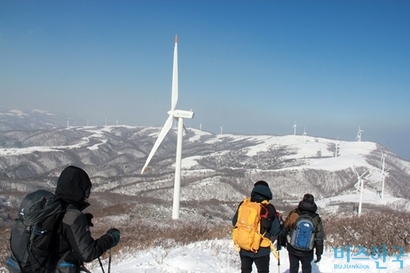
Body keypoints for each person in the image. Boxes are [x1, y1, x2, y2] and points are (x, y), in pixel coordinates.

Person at [53, 165, 121, 272]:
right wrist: (110, 239)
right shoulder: (72, 216)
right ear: (79, 189)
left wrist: (81, 223)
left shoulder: (52, 208)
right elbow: (88, 253)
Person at [232, 181, 282, 273]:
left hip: (244, 246)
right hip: (261, 250)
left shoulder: (244, 204)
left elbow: (234, 222)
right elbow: (276, 230)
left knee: (245, 271)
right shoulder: (268, 208)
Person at [282, 193, 324, 273]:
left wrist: (282, 242)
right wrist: (319, 253)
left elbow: (285, 228)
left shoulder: (294, 213)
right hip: (307, 250)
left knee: (293, 268)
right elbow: (319, 238)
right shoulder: (316, 218)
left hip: (293, 248)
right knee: (307, 268)